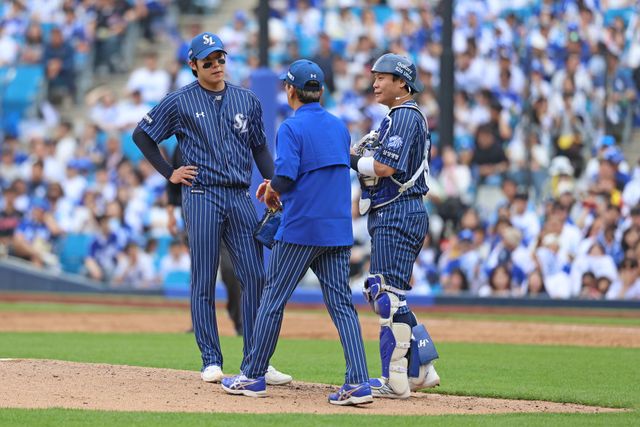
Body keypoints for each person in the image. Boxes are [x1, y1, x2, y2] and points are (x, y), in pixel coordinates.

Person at [132, 32, 290, 385]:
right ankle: (210, 358)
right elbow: (142, 135)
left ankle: (257, 360)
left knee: (255, 276)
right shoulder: (179, 101)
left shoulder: (247, 99)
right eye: (208, 61)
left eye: (220, 59)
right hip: (201, 194)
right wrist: (170, 172)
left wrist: (274, 183)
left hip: (239, 194)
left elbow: (260, 148)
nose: (216, 65)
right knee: (204, 277)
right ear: (193, 65)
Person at [221, 60, 372, 406]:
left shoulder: (291, 127)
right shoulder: (339, 126)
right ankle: (358, 382)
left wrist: (271, 189)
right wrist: (277, 185)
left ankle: (253, 375)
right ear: (321, 91)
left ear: (290, 90)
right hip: (337, 230)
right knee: (342, 306)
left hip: (302, 228)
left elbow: (287, 176)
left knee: (272, 300)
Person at [348, 53, 440, 399]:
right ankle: (421, 369)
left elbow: (385, 167)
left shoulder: (403, 115)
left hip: (397, 211)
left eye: (381, 77)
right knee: (390, 296)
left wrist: (351, 160)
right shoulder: (399, 116)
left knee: (386, 296)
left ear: (402, 82)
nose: (374, 83)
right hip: (399, 210)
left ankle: (396, 380)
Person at [166, 145, 243, 336]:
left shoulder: (225, 139)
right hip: (196, 214)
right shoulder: (183, 143)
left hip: (226, 213)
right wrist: (170, 212)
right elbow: (173, 177)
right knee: (201, 272)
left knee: (230, 269)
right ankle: (200, 322)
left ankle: (239, 321)